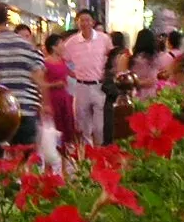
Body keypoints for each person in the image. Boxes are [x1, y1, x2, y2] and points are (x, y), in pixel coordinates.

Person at [0, 3, 46, 146]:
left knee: (6, 155)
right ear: (8, 19)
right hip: (26, 108)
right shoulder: (25, 44)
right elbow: (38, 77)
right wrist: (45, 104)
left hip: (3, 111)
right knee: (27, 154)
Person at [60, 10, 112, 145]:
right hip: (81, 86)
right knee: (83, 126)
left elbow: (111, 57)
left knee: (99, 127)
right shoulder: (72, 42)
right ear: (77, 23)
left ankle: (100, 152)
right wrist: (71, 73)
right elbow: (62, 59)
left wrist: (107, 72)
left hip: (99, 86)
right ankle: (87, 153)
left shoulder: (104, 39)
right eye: (81, 20)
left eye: (87, 20)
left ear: (93, 22)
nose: (84, 23)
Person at [43, 32, 79, 144]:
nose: (63, 46)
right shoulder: (45, 63)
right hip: (52, 98)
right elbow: (40, 84)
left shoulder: (63, 61)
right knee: (57, 124)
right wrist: (54, 85)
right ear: (53, 47)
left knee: (67, 124)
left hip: (64, 97)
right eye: (61, 44)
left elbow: (72, 74)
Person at [103, 31, 131, 144]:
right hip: (122, 87)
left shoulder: (109, 54)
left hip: (110, 88)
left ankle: (109, 140)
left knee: (110, 116)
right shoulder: (126, 53)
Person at [131, 29, 163, 99]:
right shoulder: (155, 57)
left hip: (136, 91)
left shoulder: (135, 58)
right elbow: (153, 79)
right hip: (151, 91)